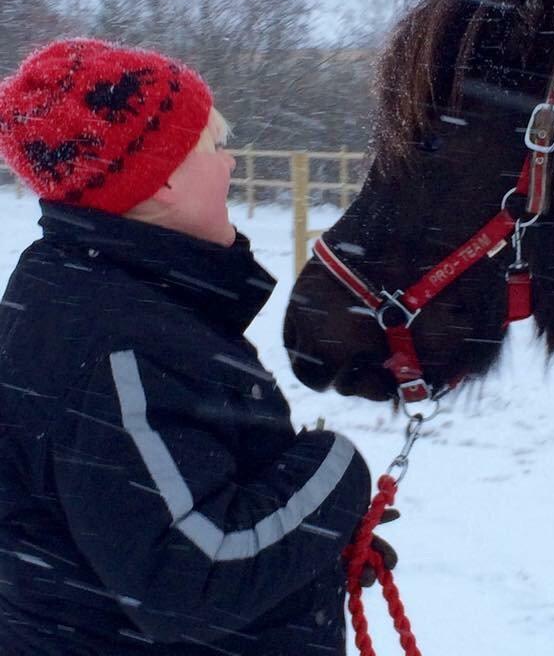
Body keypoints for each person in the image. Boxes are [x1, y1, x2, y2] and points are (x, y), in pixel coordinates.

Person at [0, 38, 381, 655]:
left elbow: (153, 522)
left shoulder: (94, 295)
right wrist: (337, 475)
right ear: (164, 175)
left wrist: (311, 547)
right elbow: (198, 577)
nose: (231, 164)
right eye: (214, 146)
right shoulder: (123, 346)